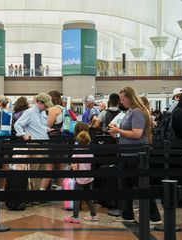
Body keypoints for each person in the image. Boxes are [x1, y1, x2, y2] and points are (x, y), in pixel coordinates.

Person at [108, 86, 161, 224]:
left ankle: (154, 216)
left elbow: (137, 133)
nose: (121, 102)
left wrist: (118, 130)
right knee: (127, 185)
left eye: (123, 99)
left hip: (135, 154)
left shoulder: (137, 112)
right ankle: (128, 214)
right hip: (128, 153)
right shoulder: (131, 111)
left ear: (130, 97)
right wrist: (117, 132)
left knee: (141, 185)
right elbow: (129, 131)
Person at [14, 93, 52, 190]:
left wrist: (46, 129)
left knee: (41, 171)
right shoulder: (29, 112)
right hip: (35, 144)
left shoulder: (41, 112)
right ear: (39, 103)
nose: (47, 107)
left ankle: (37, 195)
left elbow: (39, 126)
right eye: (46, 105)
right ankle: (35, 195)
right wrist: (23, 135)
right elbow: (17, 125)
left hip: (43, 144)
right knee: (36, 172)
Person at [64, 131, 98, 223]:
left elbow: (75, 168)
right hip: (89, 178)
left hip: (79, 179)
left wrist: (71, 166)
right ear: (88, 142)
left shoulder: (76, 154)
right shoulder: (90, 154)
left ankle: (75, 217)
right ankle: (93, 215)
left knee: (76, 198)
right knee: (88, 197)